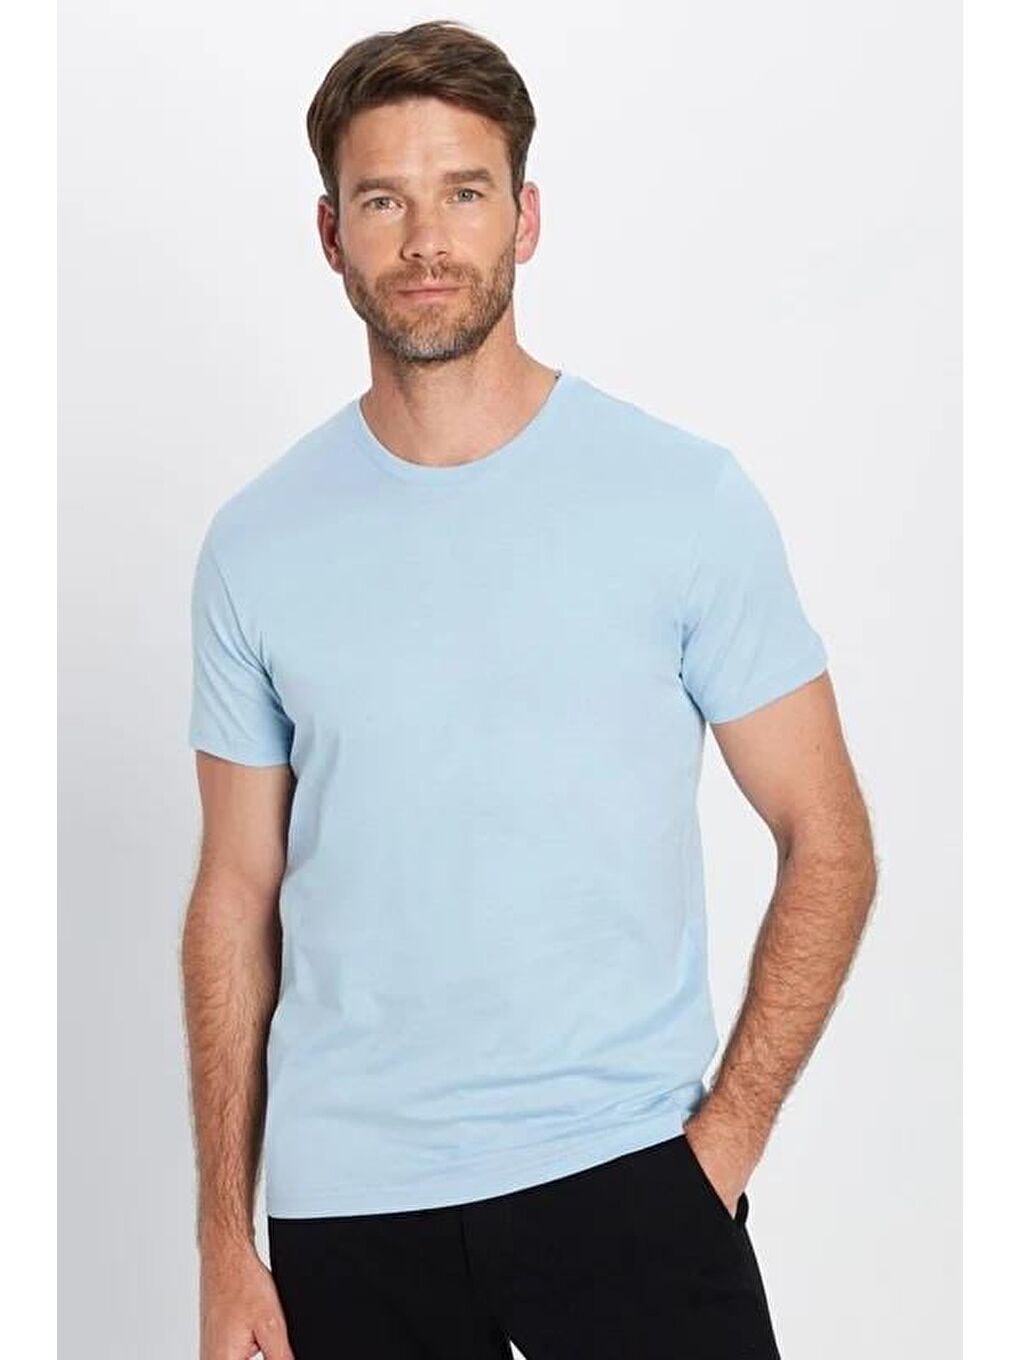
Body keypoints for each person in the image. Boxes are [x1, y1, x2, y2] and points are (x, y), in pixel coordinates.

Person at [181, 19, 878, 1360]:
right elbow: (234, 894)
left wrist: (719, 1151)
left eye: (464, 191)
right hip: (348, 1220)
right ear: (330, 234)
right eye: (382, 200)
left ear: (527, 217)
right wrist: (224, 1236)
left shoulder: (682, 499)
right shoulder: (255, 544)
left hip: (629, 1182)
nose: (425, 240)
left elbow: (827, 836)